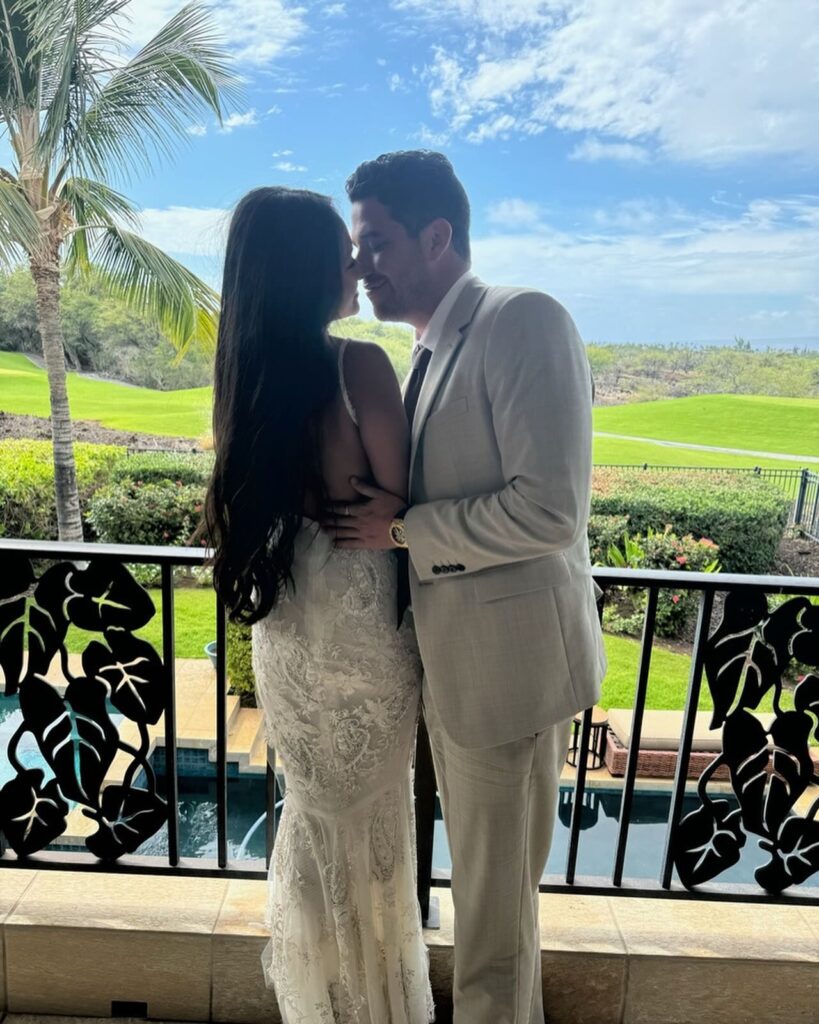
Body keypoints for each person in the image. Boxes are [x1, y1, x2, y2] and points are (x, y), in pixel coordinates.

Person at [328, 151, 607, 1024]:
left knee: (493, 919)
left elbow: (549, 510)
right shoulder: (426, 346)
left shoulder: (522, 320)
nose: (358, 264)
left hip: (508, 676)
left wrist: (404, 531)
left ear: (437, 235)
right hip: (450, 668)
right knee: (483, 903)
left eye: (374, 242)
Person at [204, 186, 434, 1024]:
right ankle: (378, 1005)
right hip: (362, 623)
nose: (354, 266)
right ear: (308, 270)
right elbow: (401, 499)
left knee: (316, 814)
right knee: (372, 821)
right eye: (340, 252)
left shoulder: (248, 375)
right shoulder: (359, 365)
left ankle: (326, 1003)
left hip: (291, 629)